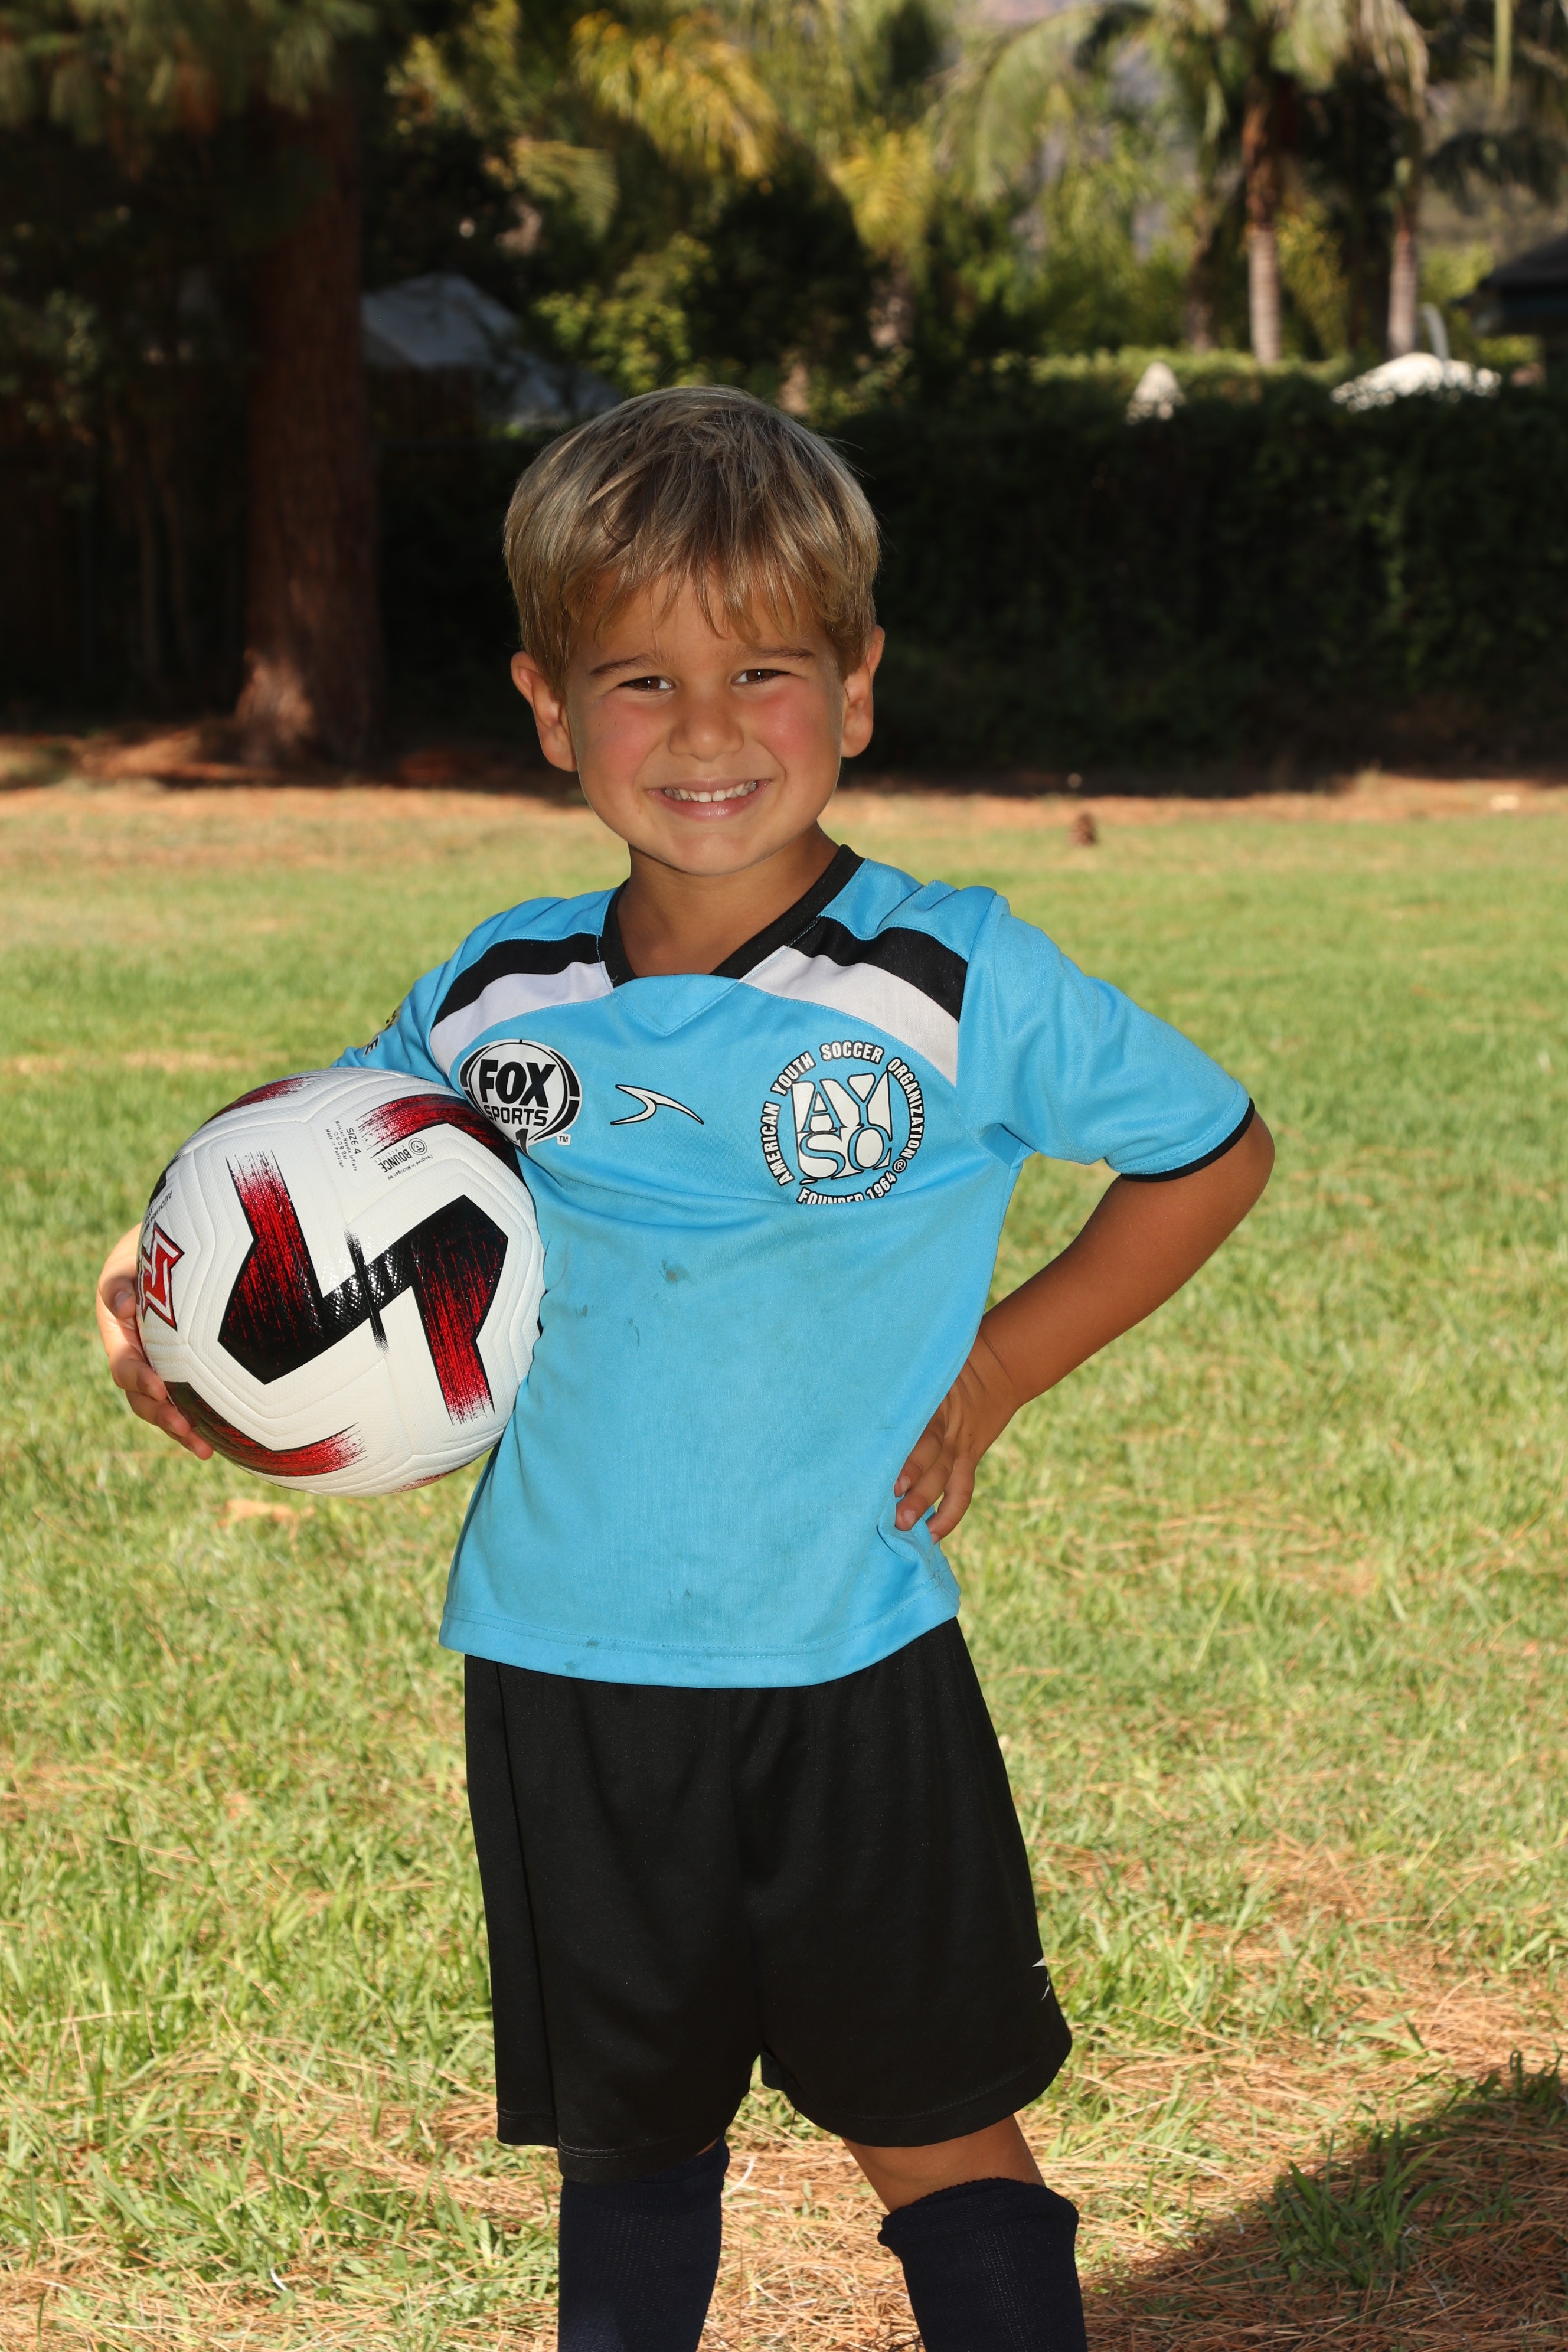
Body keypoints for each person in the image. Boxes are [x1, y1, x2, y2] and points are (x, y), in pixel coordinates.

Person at [96, 385, 1273, 2351]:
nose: (708, 731)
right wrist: (166, 1306)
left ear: (858, 690)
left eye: (764, 672)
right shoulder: (496, 993)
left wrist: (996, 1370)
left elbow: (1209, 1153)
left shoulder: (952, 979)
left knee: (938, 2126)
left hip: (847, 1662)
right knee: (627, 2149)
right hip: (564, 1669)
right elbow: (302, 1182)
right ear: (550, 710)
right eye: (640, 680)